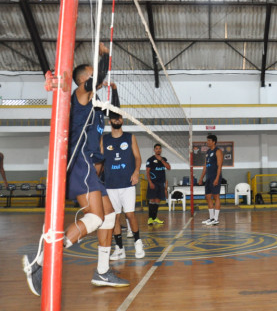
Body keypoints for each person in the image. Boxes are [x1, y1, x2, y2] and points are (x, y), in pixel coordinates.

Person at [22, 43, 129, 296]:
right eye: (91, 76)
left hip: (88, 164)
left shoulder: (95, 105)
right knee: (96, 217)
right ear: (83, 80)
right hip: (78, 161)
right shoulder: (80, 97)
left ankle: (102, 271)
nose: (96, 81)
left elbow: (116, 117)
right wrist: (105, 57)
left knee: (109, 214)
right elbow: (96, 80)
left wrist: (113, 92)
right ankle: (41, 261)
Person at [101, 112, 145, 260]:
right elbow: (100, 161)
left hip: (127, 184)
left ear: (122, 120)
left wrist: (136, 172)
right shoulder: (104, 139)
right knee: (115, 217)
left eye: (119, 118)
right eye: (114, 118)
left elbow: (138, 157)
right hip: (110, 185)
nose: (116, 120)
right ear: (110, 122)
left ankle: (138, 243)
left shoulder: (130, 137)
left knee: (130, 215)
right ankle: (119, 249)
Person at [199, 134, 223, 226]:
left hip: (215, 177)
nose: (207, 142)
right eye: (207, 140)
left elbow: (219, 166)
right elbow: (205, 166)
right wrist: (201, 178)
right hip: (208, 178)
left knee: (216, 196)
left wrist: (217, 178)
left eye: (209, 140)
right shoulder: (208, 152)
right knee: (208, 197)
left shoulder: (218, 151)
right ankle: (211, 218)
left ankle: (216, 219)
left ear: (214, 142)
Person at [146, 143, 170, 225]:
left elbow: (169, 168)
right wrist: (150, 182)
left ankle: (154, 217)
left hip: (161, 183)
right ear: (154, 150)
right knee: (152, 200)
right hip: (153, 183)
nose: (158, 150)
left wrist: (162, 160)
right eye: (156, 148)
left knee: (157, 200)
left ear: (161, 150)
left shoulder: (164, 159)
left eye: (159, 148)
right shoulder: (150, 160)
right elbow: (147, 172)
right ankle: (150, 218)